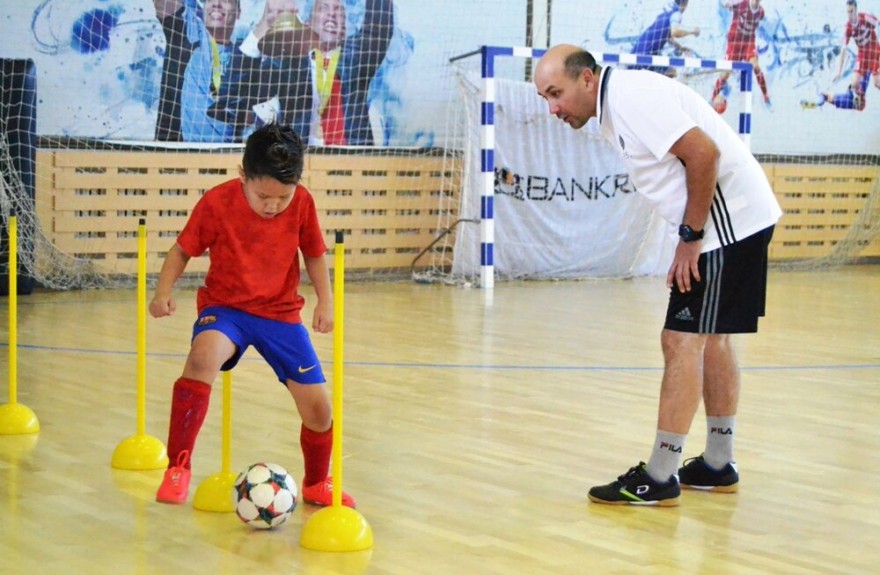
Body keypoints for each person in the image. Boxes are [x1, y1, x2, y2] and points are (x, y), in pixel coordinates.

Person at [534, 45, 782, 506]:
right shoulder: (616, 103)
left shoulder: (632, 97)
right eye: (545, 98)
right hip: (737, 221)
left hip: (727, 225)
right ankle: (717, 463)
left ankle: (661, 475)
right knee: (712, 339)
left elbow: (703, 155)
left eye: (556, 94)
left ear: (587, 79)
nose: (553, 109)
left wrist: (690, 237)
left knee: (681, 340)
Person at [150, 122, 355, 508]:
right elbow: (181, 251)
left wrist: (325, 302)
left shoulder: (303, 204)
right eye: (263, 196)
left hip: (280, 314)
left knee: (319, 409)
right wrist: (163, 292)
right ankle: (178, 468)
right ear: (242, 174)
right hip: (226, 309)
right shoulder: (216, 202)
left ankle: (315, 482)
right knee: (202, 357)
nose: (273, 205)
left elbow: (313, 253)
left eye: (283, 196)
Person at [214, 0, 394, 145]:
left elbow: (379, 29)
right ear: (308, 23)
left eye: (338, 10)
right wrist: (264, 24)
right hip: (300, 169)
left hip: (351, 169)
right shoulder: (287, 65)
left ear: (344, 31)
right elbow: (230, 98)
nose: (332, 13)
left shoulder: (355, 60)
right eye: (324, 7)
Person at [153, 0, 256, 142]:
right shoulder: (188, 35)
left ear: (238, 12)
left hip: (226, 157)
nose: (216, 3)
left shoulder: (246, 58)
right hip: (178, 155)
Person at [801, 0, 879, 111]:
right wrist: (838, 71)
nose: (850, 15)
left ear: (856, 9)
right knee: (857, 96)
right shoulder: (848, 28)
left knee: (874, 85)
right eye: (847, 12)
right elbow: (843, 50)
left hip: (875, 52)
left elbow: (878, 23)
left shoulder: (865, 18)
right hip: (863, 56)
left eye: (851, 11)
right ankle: (827, 97)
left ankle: (825, 97)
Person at [710, 0, 772, 112]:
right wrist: (728, 5)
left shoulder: (761, 12)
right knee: (725, 74)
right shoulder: (741, 4)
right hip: (734, 43)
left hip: (748, 43)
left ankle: (766, 96)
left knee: (755, 66)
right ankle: (712, 98)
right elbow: (726, 5)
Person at [630, 0, 700, 77]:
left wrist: (680, 47)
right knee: (671, 72)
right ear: (685, 4)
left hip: (637, 49)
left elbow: (668, 37)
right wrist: (692, 32)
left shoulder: (666, 12)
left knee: (668, 72)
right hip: (647, 54)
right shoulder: (677, 14)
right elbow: (675, 32)